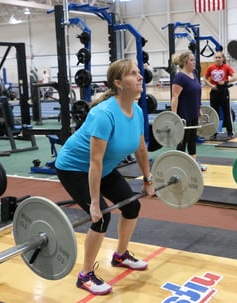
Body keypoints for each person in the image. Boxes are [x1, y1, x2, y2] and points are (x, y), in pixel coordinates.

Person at [54, 59, 155, 296]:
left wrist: (148, 179)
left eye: (139, 73)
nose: (140, 77)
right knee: (101, 219)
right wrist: (95, 204)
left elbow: (141, 149)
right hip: (74, 168)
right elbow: (94, 162)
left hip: (104, 168)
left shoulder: (137, 111)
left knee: (132, 206)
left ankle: (120, 255)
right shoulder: (103, 114)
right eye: (133, 74)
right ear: (119, 83)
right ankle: (85, 275)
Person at [170, 51, 207, 171]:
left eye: (194, 60)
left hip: (193, 113)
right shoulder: (180, 77)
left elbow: (197, 93)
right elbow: (175, 97)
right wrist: (174, 116)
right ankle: (178, 165)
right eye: (192, 60)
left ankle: (193, 163)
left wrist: (199, 108)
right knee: (182, 141)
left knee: (192, 140)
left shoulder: (194, 73)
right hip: (183, 115)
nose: (194, 62)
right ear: (185, 62)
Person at [204, 51, 237, 140]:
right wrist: (211, 85)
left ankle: (230, 132)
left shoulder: (226, 67)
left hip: (223, 92)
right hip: (214, 92)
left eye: (219, 57)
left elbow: (235, 77)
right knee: (214, 113)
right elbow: (204, 78)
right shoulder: (210, 68)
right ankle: (213, 133)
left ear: (222, 58)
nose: (218, 59)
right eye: (216, 58)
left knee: (227, 112)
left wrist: (225, 82)